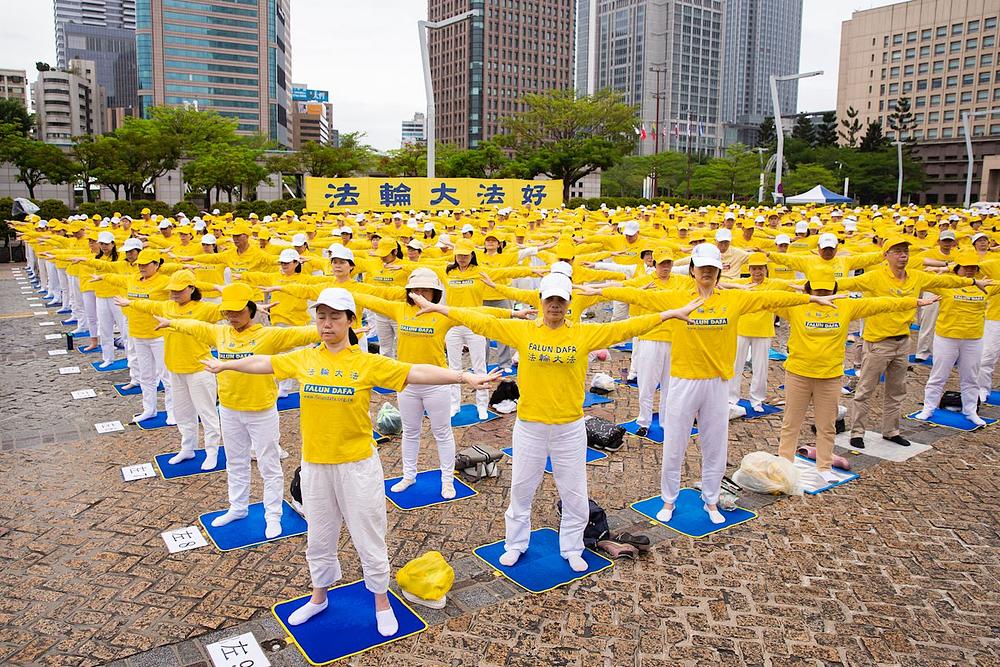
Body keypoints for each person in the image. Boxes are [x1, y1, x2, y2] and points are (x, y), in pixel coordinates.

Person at [200, 287, 498, 634]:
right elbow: (263, 363)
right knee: (319, 536)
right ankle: (318, 597)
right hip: (315, 465)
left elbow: (414, 371)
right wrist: (226, 365)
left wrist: (463, 376)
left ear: (350, 321)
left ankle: (381, 600)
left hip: (357, 465)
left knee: (368, 534)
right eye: (321, 317)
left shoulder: (365, 362)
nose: (326, 324)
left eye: (334, 317)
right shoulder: (305, 358)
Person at [410, 273, 702, 571]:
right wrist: (440, 308)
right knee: (521, 490)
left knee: (574, 494)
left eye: (560, 300)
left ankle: (573, 547)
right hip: (530, 428)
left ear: (568, 303)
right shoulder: (524, 331)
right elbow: (480, 321)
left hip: (569, 429)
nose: (554, 305)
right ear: (541, 301)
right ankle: (515, 544)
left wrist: (669, 314)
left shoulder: (584, 334)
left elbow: (627, 327)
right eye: (549, 299)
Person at [581, 244, 829, 524]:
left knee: (715, 445)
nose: (707, 272)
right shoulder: (677, 297)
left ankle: (711, 499)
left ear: (719, 271)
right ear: (692, 270)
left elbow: (769, 297)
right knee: (674, 444)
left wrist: (811, 299)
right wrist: (601, 291)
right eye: (702, 268)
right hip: (684, 381)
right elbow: (638, 295)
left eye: (712, 268)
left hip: (717, 383)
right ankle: (668, 499)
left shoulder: (734, 299)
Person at [153, 283, 319, 540]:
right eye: (228, 312)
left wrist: (338, 328)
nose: (232, 316)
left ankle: (273, 514)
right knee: (236, 462)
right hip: (229, 410)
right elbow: (194, 326)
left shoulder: (269, 336)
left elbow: (303, 334)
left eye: (238, 311)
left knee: (269, 465)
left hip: (261, 410)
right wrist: (170, 322)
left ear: (251, 309)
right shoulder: (220, 333)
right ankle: (238, 508)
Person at [353, 268, 534, 498]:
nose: (420, 294)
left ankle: (447, 479)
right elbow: (367, 298)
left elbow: (477, 312)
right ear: (409, 291)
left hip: (436, 383)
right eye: (416, 289)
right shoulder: (399, 309)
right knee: (410, 432)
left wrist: (512, 313)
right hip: (406, 382)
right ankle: (408, 476)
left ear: (435, 293)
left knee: (442, 432)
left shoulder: (441, 314)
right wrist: (338, 288)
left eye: (425, 290)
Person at [774, 267, 932, 481]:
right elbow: (768, 298)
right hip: (798, 374)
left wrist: (914, 302)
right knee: (791, 423)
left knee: (827, 425)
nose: (823, 295)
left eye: (827, 290)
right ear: (809, 289)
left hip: (829, 377)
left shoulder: (846, 306)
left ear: (834, 289)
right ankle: (785, 465)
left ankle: (824, 467)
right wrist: (786, 286)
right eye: (818, 290)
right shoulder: (797, 305)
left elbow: (881, 303)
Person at [840, 236, 990, 449]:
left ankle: (891, 431)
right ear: (886, 255)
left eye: (906, 252)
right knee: (865, 391)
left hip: (903, 342)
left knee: (896, 391)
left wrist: (973, 282)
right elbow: (844, 283)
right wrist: (810, 290)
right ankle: (857, 433)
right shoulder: (874, 277)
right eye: (898, 252)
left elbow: (946, 281)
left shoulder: (916, 277)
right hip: (878, 343)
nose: (903, 256)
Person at [117, 270, 224, 470]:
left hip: (199, 369)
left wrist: (252, 306)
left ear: (191, 288)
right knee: (183, 413)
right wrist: (129, 302)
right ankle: (188, 448)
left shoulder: (205, 309)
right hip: (175, 369)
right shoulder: (166, 306)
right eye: (172, 290)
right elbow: (147, 305)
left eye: (179, 290)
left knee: (207, 414)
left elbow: (228, 310)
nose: (174, 294)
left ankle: (212, 452)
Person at [914, 251, 1000, 426]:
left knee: (970, 378)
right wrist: (946, 268)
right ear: (957, 268)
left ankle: (970, 411)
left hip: (973, 339)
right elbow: (918, 277)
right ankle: (929, 408)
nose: (970, 270)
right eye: (965, 267)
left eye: (973, 267)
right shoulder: (946, 284)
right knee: (938, 375)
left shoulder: (986, 284)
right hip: (947, 337)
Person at [92, 248, 175, 424]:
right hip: (138, 334)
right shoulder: (132, 279)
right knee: (146, 375)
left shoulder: (165, 282)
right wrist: (101, 276)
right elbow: (115, 278)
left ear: (156, 264)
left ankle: (172, 411)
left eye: (146, 265)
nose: (141, 267)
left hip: (159, 335)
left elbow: (184, 289)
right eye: (139, 265)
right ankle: (149, 409)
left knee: (166, 375)